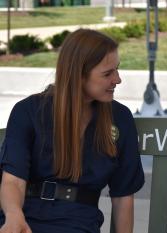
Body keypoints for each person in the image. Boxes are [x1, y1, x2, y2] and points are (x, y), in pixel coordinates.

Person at [0, 29, 144, 233]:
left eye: (117, 70)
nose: (117, 79)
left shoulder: (119, 118)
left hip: (77, 222)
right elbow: (13, 180)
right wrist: (14, 215)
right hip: (24, 218)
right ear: (79, 74)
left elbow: (123, 196)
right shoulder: (29, 111)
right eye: (107, 73)